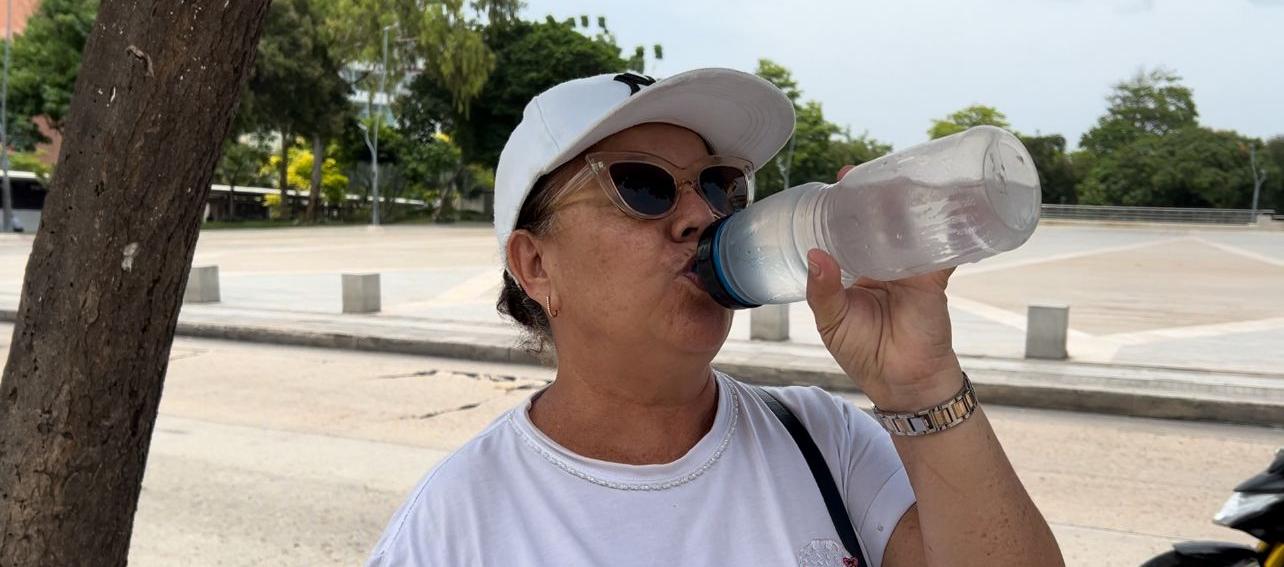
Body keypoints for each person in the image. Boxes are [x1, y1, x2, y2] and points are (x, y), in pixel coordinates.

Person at [367, 68, 1064, 567]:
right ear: (536, 264)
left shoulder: (824, 442)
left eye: (720, 184)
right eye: (641, 185)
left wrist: (922, 385)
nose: (702, 214)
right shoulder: (454, 524)